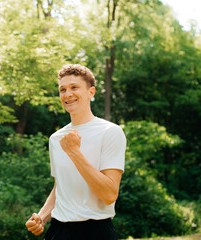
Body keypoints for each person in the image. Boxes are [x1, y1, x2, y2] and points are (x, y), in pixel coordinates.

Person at [25, 64, 126, 240]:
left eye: (74, 87)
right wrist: (42, 216)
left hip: (96, 231)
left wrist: (74, 152)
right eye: (62, 89)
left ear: (91, 92)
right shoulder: (56, 139)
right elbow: (60, 187)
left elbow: (109, 194)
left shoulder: (110, 132)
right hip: (58, 230)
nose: (67, 94)